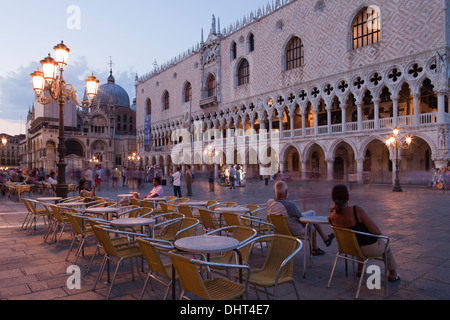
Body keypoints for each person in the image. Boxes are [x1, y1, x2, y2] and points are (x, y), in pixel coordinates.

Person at [327, 185, 400, 282]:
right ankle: (393, 274)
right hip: (368, 249)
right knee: (386, 244)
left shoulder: (331, 217)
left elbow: (337, 212)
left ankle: (360, 269)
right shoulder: (356, 210)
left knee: (357, 240)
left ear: (333, 198)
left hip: (350, 249)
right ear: (347, 197)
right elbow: (377, 232)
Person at [267, 181, 334, 255]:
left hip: (280, 229)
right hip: (293, 230)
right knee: (312, 225)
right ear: (286, 191)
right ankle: (316, 247)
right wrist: (310, 224)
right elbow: (302, 220)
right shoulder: (290, 205)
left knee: (311, 213)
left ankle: (325, 238)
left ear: (274, 191)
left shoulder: (270, 202)